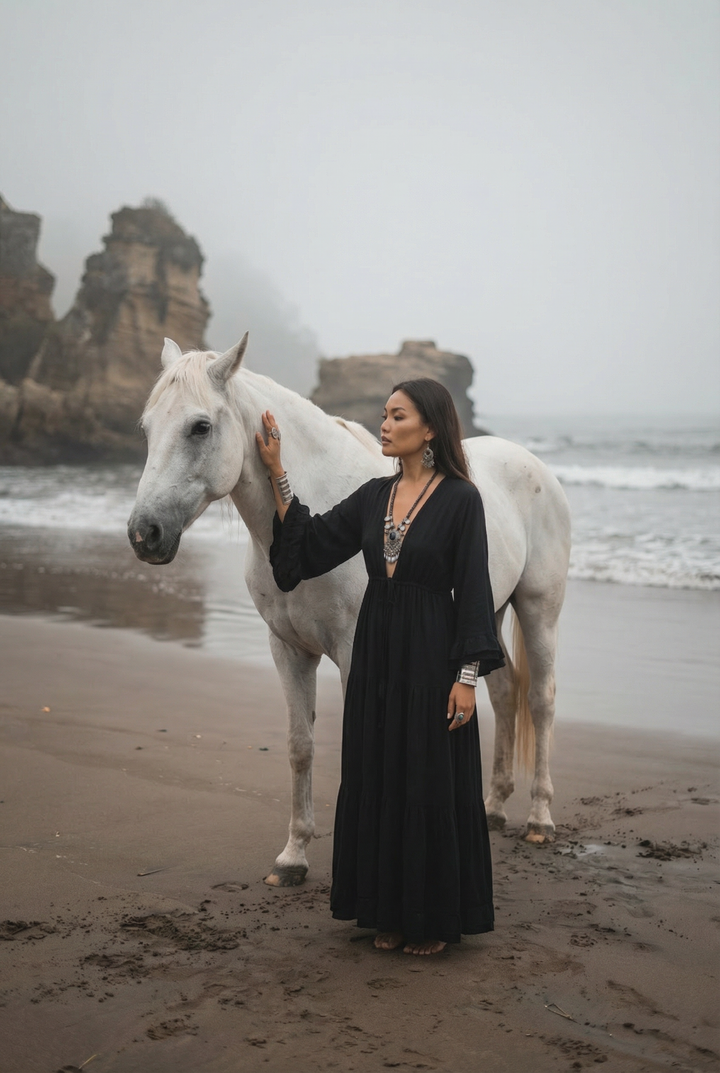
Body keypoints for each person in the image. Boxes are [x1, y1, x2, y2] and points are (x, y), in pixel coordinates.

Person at [256, 378, 505, 955]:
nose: (384, 425)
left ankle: (432, 918)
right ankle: (386, 911)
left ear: (431, 428)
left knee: (425, 779)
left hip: (431, 652)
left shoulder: (462, 499)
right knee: (379, 775)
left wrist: (467, 679)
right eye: (384, 414)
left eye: (397, 416)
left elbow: (472, 591)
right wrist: (276, 469)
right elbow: (310, 542)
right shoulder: (374, 495)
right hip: (376, 652)